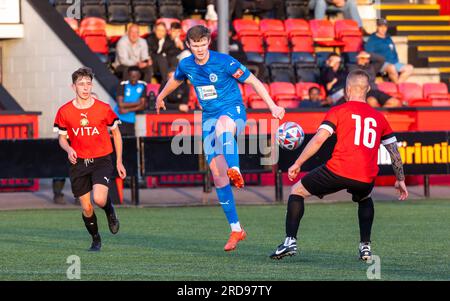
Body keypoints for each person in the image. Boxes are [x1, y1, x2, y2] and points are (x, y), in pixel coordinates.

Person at [156, 25, 285, 252]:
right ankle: (236, 229)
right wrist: (161, 96)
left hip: (233, 110)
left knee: (224, 128)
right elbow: (176, 79)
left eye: (203, 45)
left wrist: (272, 106)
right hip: (208, 118)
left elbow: (253, 81)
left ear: (208, 43)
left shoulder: (224, 62)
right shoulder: (186, 64)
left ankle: (235, 168)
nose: (199, 50)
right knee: (217, 175)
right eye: (195, 46)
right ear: (188, 45)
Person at [270, 70, 408, 261]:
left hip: (337, 170)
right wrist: (400, 179)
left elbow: (318, 141)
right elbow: (394, 151)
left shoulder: (338, 111)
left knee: (297, 191)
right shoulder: (379, 117)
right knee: (365, 197)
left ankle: (289, 242)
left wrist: (298, 162)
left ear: (347, 89)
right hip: (365, 176)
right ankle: (365, 247)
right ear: (367, 89)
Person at [53, 67, 127, 251]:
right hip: (78, 162)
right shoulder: (65, 111)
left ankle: (110, 211)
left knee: (100, 199)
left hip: (101, 159)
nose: (85, 88)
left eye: (88, 84)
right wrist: (69, 148)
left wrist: (118, 161)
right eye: (81, 84)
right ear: (73, 87)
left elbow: (116, 134)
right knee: (86, 208)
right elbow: (62, 138)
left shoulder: (103, 109)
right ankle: (96, 239)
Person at [365, 19, 414, 84]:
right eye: (381, 26)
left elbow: (393, 51)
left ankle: (398, 84)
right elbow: (368, 54)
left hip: (394, 62)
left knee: (410, 68)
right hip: (382, 64)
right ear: (377, 27)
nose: (383, 29)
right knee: (392, 68)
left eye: (385, 27)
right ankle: (398, 87)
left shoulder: (388, 37)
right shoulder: (373, 39)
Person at [114, 66, 147, 137]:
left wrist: (127, 109)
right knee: (117, 143)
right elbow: (120, 104)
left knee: (130, 143)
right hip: (118, 118)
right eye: (132, 76)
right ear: (128, 75)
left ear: (139, 76)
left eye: (136, 76)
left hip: (131, 120)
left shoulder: (143, 86)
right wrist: (137, 103)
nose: (134, 78)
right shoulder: (122, 85)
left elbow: (142, 105)